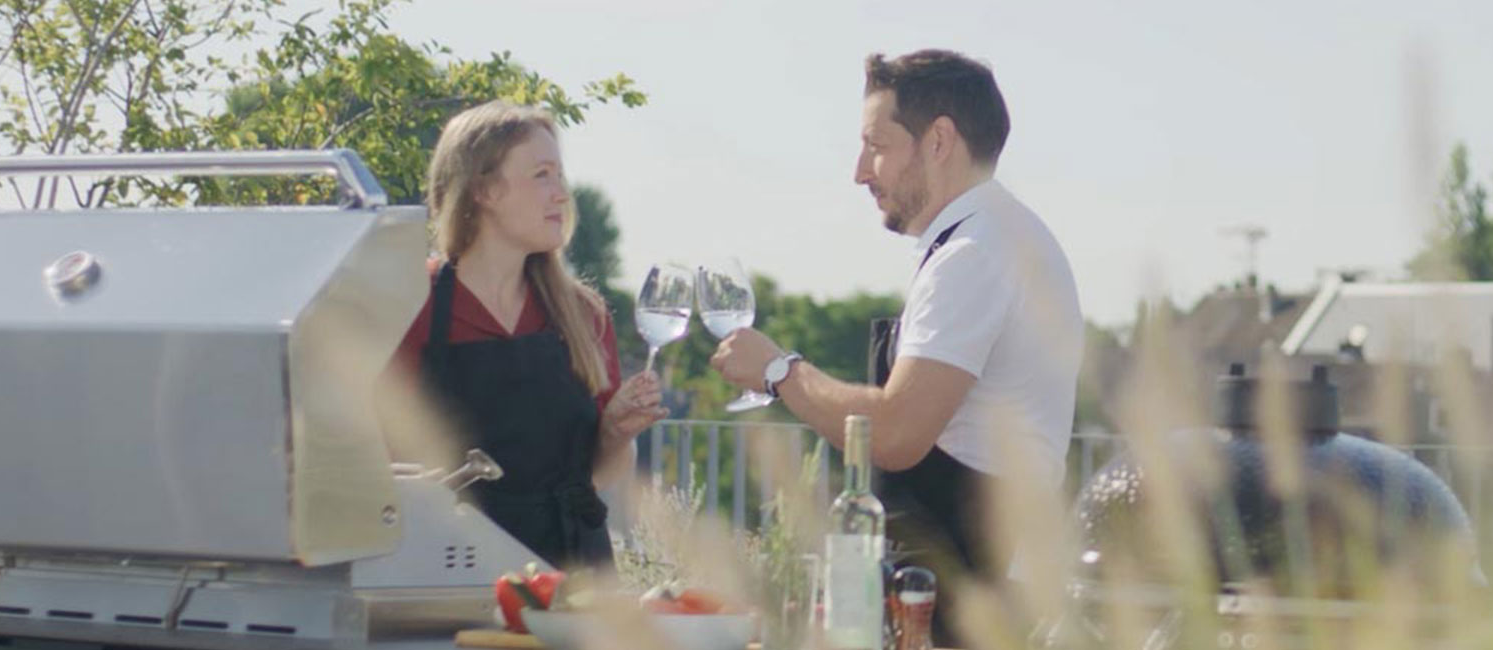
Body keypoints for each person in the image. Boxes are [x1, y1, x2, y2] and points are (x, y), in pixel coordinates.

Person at [710, 49, 1083, 645]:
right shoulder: (996, 236)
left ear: (939, 140)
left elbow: (896, 433)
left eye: (876, 146)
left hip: (964, 598)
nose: (860, 171)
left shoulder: (973, 255)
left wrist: (778, 370)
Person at [386, 101, 667, 569]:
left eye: (561, 176)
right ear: (484, 189)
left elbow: (598, 477)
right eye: (542, 175)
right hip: (449, 570)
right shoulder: (408, 302)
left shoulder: (583, 314)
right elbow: (374, 462)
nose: (561, 195)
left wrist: (616, 434)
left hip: (575, 576)